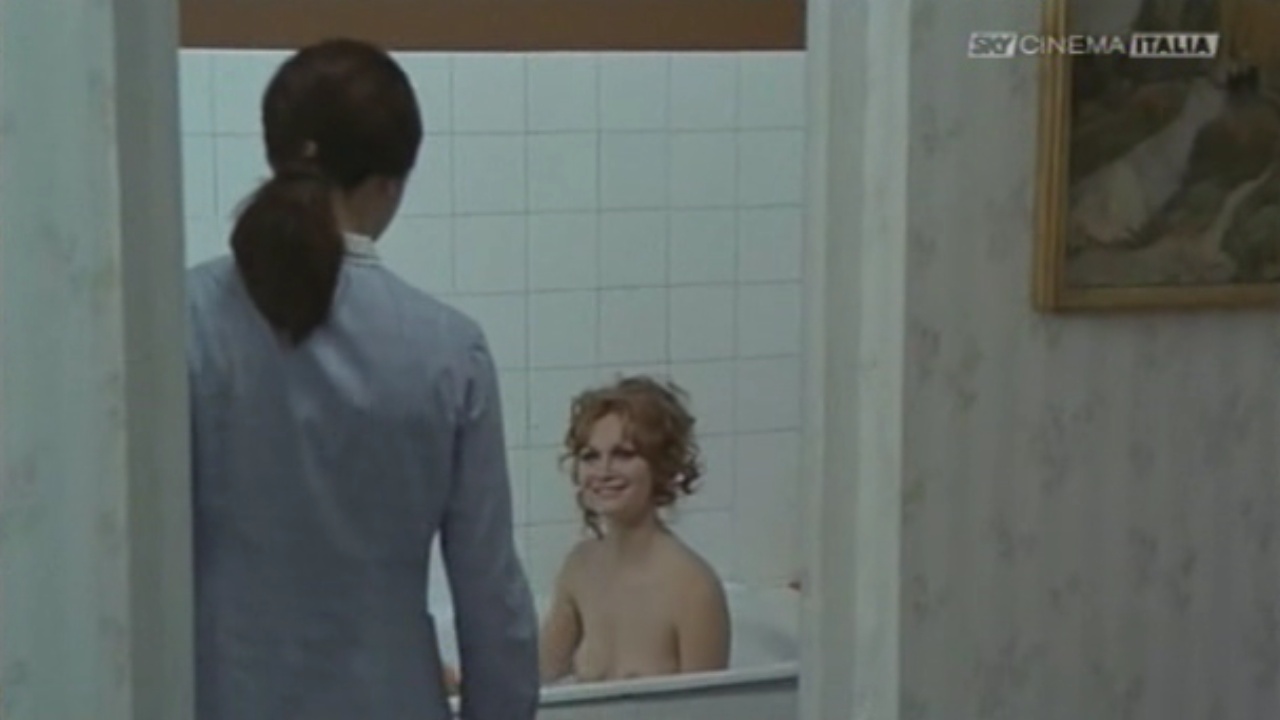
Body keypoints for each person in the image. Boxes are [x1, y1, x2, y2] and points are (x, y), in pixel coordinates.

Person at [186, 38, 537, 720]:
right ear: (390, 183)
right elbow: (492, 600)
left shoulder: (179, 324)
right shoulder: (448, 352)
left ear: (275, 154)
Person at [538, 376, 731, 683]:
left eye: (624, 454)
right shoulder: (580, 568)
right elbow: (538, 678)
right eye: (590, 456)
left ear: (660, 466)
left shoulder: (693, 588)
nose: (603, 471)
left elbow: (707, 705)